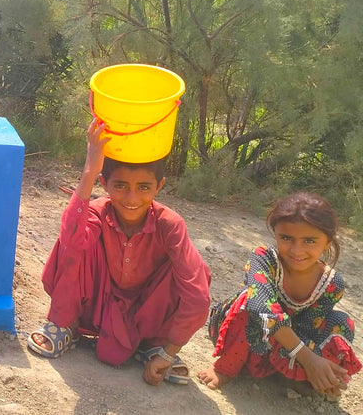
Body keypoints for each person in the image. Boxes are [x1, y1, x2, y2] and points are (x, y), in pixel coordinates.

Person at [26, 119, 212, 387]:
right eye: (121, 186)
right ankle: (65, 325)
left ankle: (154, 345)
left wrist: (169, 352)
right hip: (99, 304)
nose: (132, 198)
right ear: (104, 183)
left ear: (159, 187)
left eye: (144, 187)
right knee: (73, 240)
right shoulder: (98, 211)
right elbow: (70, 237)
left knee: (193, 270)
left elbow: (197, 295)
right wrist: (89, 169)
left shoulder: (169, 224)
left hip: (147, 311)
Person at [197, 192, 360, 400]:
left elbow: (307, 328)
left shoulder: (332, 284)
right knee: (249, 302)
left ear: (327, 242)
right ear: (275, 234)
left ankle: (300, 376)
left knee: (342, 322)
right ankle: (226, 368)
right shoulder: (264, 258)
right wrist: (309, 360)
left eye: (309, 241)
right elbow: (261, 309)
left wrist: (318, 365)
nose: (296, 250)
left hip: (289, 344)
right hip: (243, 335)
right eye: (286, 238)